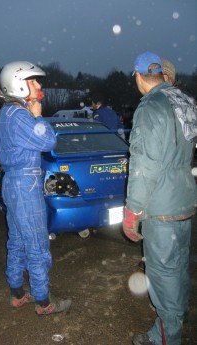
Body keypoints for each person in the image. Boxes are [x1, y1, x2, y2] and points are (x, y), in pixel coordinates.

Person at [123, 51, 197, 345]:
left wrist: (133, 212)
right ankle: (174, 319)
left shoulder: (151, 106)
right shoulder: (186, 101)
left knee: (163, 276)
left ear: (138, 76)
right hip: (183, 202)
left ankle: (168, 337)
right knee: (177, 269)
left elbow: (144, 165)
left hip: (160, 207)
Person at [0, 61, 71, 316]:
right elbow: (49, 141)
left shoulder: (7, 112)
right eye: (33, 81)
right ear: (17, 84)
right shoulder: (19, 116)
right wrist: (38, 114)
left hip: (13, 182)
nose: (39, 86)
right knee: (37, 243)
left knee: (17, 239)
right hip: (26, 184)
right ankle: (43, 301)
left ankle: (17, 293)